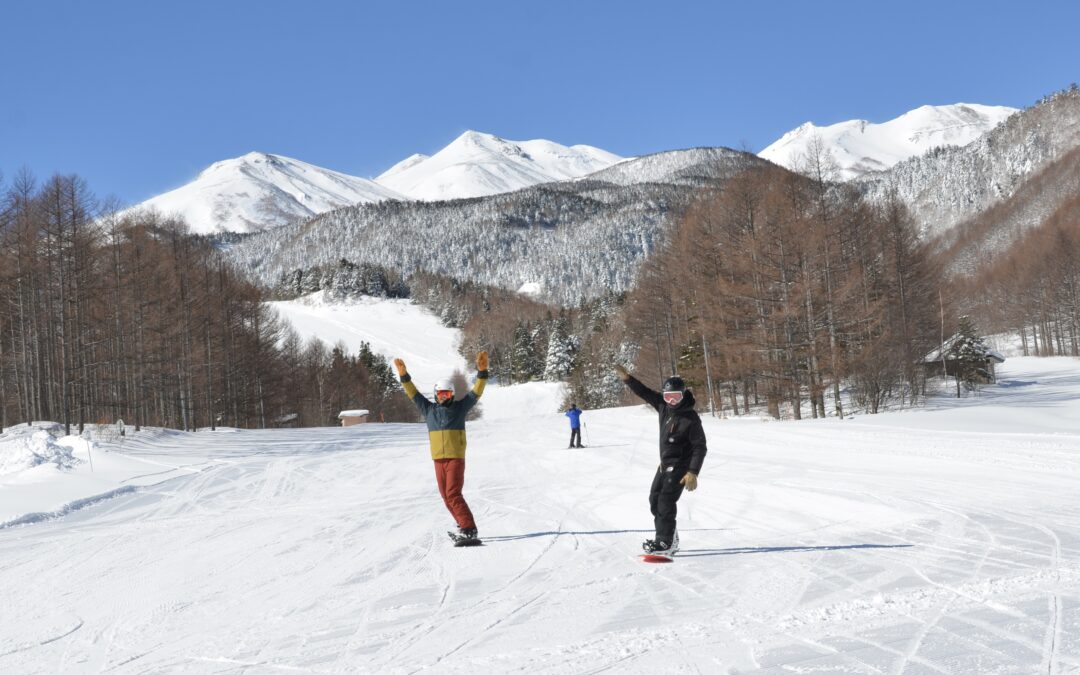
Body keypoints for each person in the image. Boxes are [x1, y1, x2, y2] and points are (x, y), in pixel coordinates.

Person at [394, 352, 488, 543]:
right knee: (446, 496)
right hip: (438, 459)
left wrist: (482, 373)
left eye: (447, 394)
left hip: (455, 457)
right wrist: (404, 376)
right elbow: (413, 394)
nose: (444, 397)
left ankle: (469, 529)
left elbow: (476, 392)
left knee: (453, 493)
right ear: (436, 395)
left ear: (452, 395)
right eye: (441, 394)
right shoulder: (429, 410)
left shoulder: (460, 408)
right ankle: (462, 525)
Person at [615, 365, 707, 555]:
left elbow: (700, 447)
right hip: (664, 465)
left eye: (676, 397)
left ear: (684, 395)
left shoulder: (690, 418)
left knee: (665, 501)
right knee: (655, 500)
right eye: (668, 397)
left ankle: (665, 542)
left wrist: (693, 472)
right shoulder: (664, 408)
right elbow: (645, 392)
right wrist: (628, 379)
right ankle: (668, 535)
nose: (672, 401)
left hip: (682, 466)